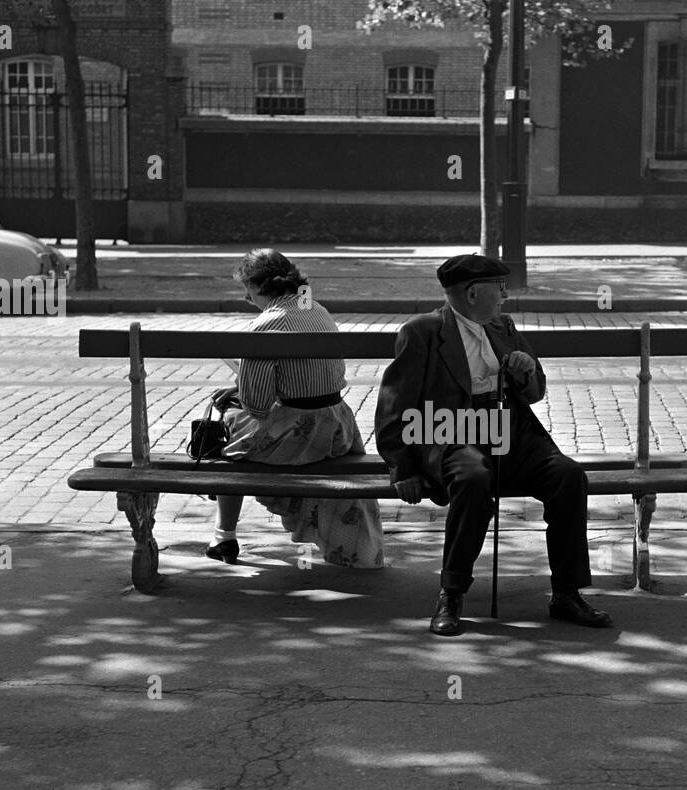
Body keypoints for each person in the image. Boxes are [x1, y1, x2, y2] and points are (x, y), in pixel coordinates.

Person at [374, 253, 612, 635]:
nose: (504, 297)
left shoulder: (503, 327)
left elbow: (535, 392)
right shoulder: (422, 331)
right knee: (472, 479)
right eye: (499, 290)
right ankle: (451, 593)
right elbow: (393, 405)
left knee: (568, 476)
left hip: (510, 428)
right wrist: (402, 467)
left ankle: (567, 593)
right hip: (450, 430)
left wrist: (526, 372)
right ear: (472, 293)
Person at [206, 249, 385, 570]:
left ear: (260, 286)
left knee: (224, 440)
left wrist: (239, 394)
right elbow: (312, 377)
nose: (246, 298)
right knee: (234, 425)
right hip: (336, 425)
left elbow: (258, 406)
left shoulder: (264, 325)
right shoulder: (316, 309)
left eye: (246, 290)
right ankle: (223, 536)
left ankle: (223, 535)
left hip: (297, 437)